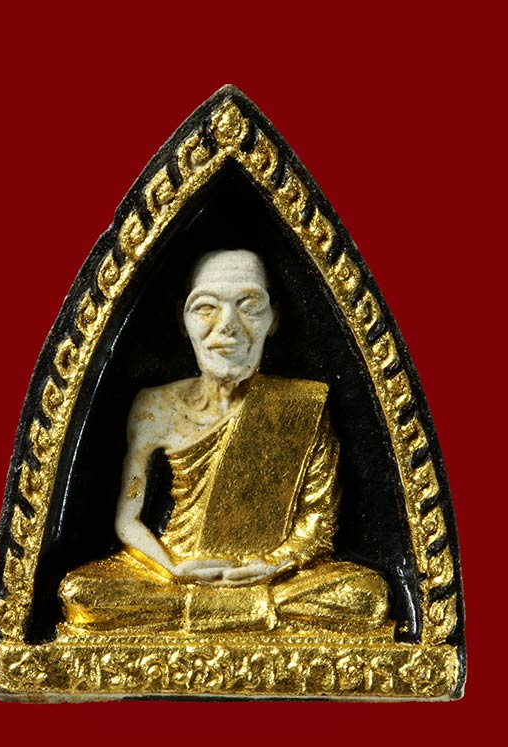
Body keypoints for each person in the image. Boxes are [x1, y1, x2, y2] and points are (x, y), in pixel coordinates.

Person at [59, 250, 392, 634]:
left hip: (271, 577)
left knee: (366, 594)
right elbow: (127, 519)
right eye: (206, 308)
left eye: (249, 307)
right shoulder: (155, 406)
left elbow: (317, 523)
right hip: (176, 571)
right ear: (183, 320)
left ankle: (202, 611)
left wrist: (273, 565)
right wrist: (174, 569)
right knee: (81, 593)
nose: (228, 326)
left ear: (273, 319)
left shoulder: (302, 406)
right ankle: (242, 611)